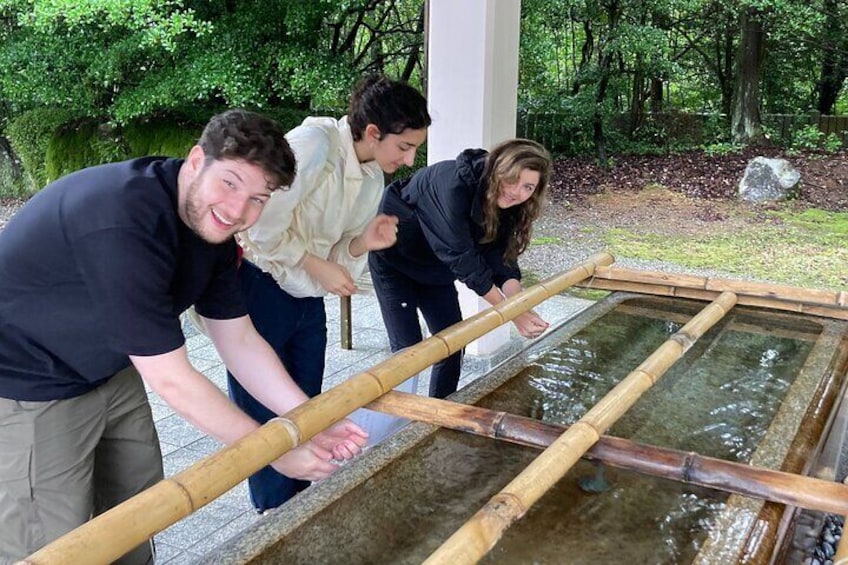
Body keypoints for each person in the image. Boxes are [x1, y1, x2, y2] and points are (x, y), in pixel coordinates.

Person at [0, 109, 368, 565]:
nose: (238, 210)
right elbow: (172, 378)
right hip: (27, 383)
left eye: (258, 197)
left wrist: (313, 419)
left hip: (109, 367)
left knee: (138, 508)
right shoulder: (124, 221)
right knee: (55, 542)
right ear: (196, 161)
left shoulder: (211, 230)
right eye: (230, 182)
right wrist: (272, 451)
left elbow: (240, 341)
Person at [230, 75, 430, 513]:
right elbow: (260, 226)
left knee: (307, 403)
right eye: (405, 146)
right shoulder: (314, 143)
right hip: (260, 287)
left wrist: (364, 243)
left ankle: (301, 503)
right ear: (373, 132)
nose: (410, 158)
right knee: (264, 409)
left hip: (307, 297)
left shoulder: (374, 177)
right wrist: (314, 262)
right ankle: (271, 513)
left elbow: (339, 249)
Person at [368, 139, 553, 399]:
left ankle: (441, 412)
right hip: (394, 262)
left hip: (435, 269)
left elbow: (502, 259)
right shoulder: (451, 184)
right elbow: (463, 259)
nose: (516, 191)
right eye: (513, 179)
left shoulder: (509, 204)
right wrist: (513, 314)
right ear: (498, 168)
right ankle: (396, 432)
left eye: (528, 187)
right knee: (407, 354)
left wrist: (519, 304)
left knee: (453, 345)